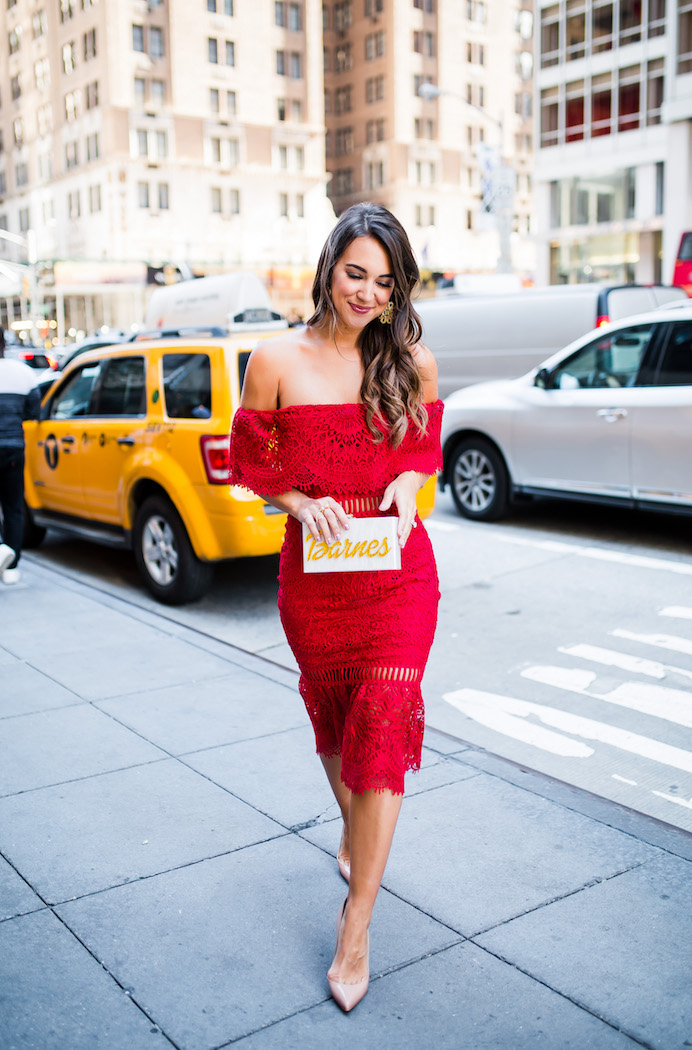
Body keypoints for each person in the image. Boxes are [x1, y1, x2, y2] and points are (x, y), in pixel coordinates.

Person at [230, 203, 442, 1012]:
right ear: (328, 268)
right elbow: (250, 462)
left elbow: (425, 447)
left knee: (384, 717)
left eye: (385, 282)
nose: (367, 293)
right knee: (337, 721)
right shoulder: (276, 359)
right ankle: (357, 840)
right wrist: (296, 500)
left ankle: (356, 927)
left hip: (396, 578)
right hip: (316, 582)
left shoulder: (411, 359)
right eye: (356, 272)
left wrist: (405, 480)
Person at [0, 325, 41, 586]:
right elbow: (34, 411)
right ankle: (11, 567)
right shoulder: (23, 374)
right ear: (5, 345)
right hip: (13, 448)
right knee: (12, 507)